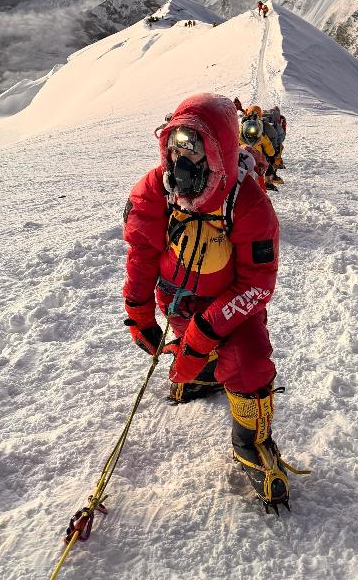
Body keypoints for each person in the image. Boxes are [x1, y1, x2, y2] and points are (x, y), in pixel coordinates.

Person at [122, 93, 291, 509]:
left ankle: (252, 443)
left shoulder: (248, 203)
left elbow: (257, 285)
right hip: (178, 303)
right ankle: (206, 371)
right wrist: (139, 312)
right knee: (201, 349)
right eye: (176, 146)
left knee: (248, 361)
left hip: (232, 311)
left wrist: (201, 337)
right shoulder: (154, 190)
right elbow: (141, 252)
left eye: (195, 148)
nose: (181, 161)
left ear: (220, 151)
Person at [239, 105, 279, 191]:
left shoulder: (239, 130)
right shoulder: (261, 132)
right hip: (256, 163)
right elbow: (271, 149)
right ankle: (266, 185)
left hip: (244, 163)